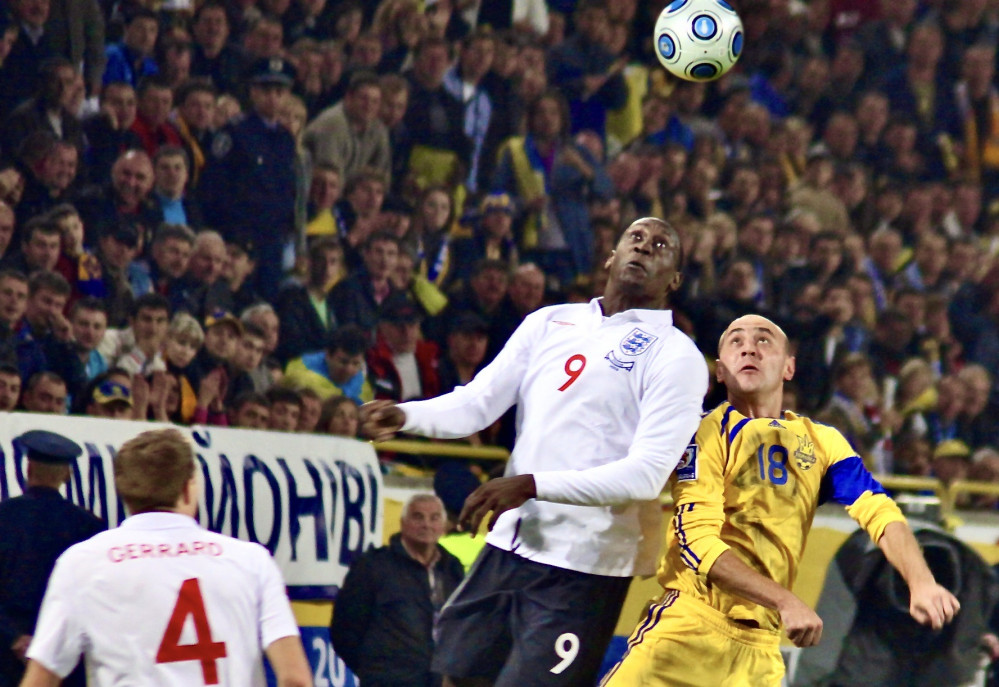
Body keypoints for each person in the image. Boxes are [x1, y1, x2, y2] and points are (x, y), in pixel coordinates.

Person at [361, 217, 708, 686]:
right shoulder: (549, 321)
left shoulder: (675, 355)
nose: (645, 247)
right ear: (611, 255)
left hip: (584, 562)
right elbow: (479, 401)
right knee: (456, 677)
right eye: (637, 238)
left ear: (675, 279)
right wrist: (408, 416)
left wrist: (531, 485)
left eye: (662, 245)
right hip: (509, 543)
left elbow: (646, 475)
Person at [601, 314, 962, 687]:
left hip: (760, 650)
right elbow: (698, 543)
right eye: (736, 341)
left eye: (763, 340)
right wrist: (785, 601)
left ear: (789, 366)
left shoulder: (823, 442)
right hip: (687, 631)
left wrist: (921, 582)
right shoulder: (702, 433)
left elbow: (878, 509)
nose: (748, 347)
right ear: (721, 372)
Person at [20, 428, 311, 687]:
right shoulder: (252, 561)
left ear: (124, 492)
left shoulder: (82, 562)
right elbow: (295, 678)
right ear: (187, 488)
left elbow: (42, 678)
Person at [0, 430, 103, 687]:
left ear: (28, 468)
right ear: (68, 475)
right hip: (66, 661)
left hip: (6, 657)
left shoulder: (4, 517)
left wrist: (14, 637)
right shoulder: (89, 527)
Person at [330, 493, 464, 687]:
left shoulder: (452, 568)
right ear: (402, 523)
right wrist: (375, 672)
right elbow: (344, 631)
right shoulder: (373, 566)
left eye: (434, 518)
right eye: (418, 517)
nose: (426, 524)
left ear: (443, 526)